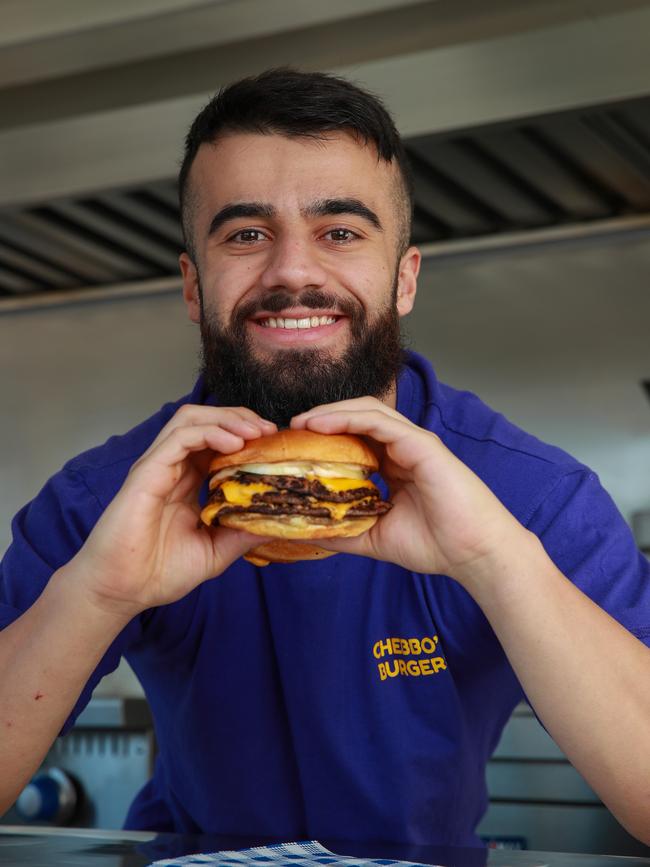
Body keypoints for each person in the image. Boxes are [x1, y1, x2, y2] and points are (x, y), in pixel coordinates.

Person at [1, 68, 650, 848]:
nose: (292, 272)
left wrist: (495, 560)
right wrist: (97, 592)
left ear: (405, 277)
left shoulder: (533, 496)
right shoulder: (108, 495)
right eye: (245, 234)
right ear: (191, 284)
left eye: (340, 231)